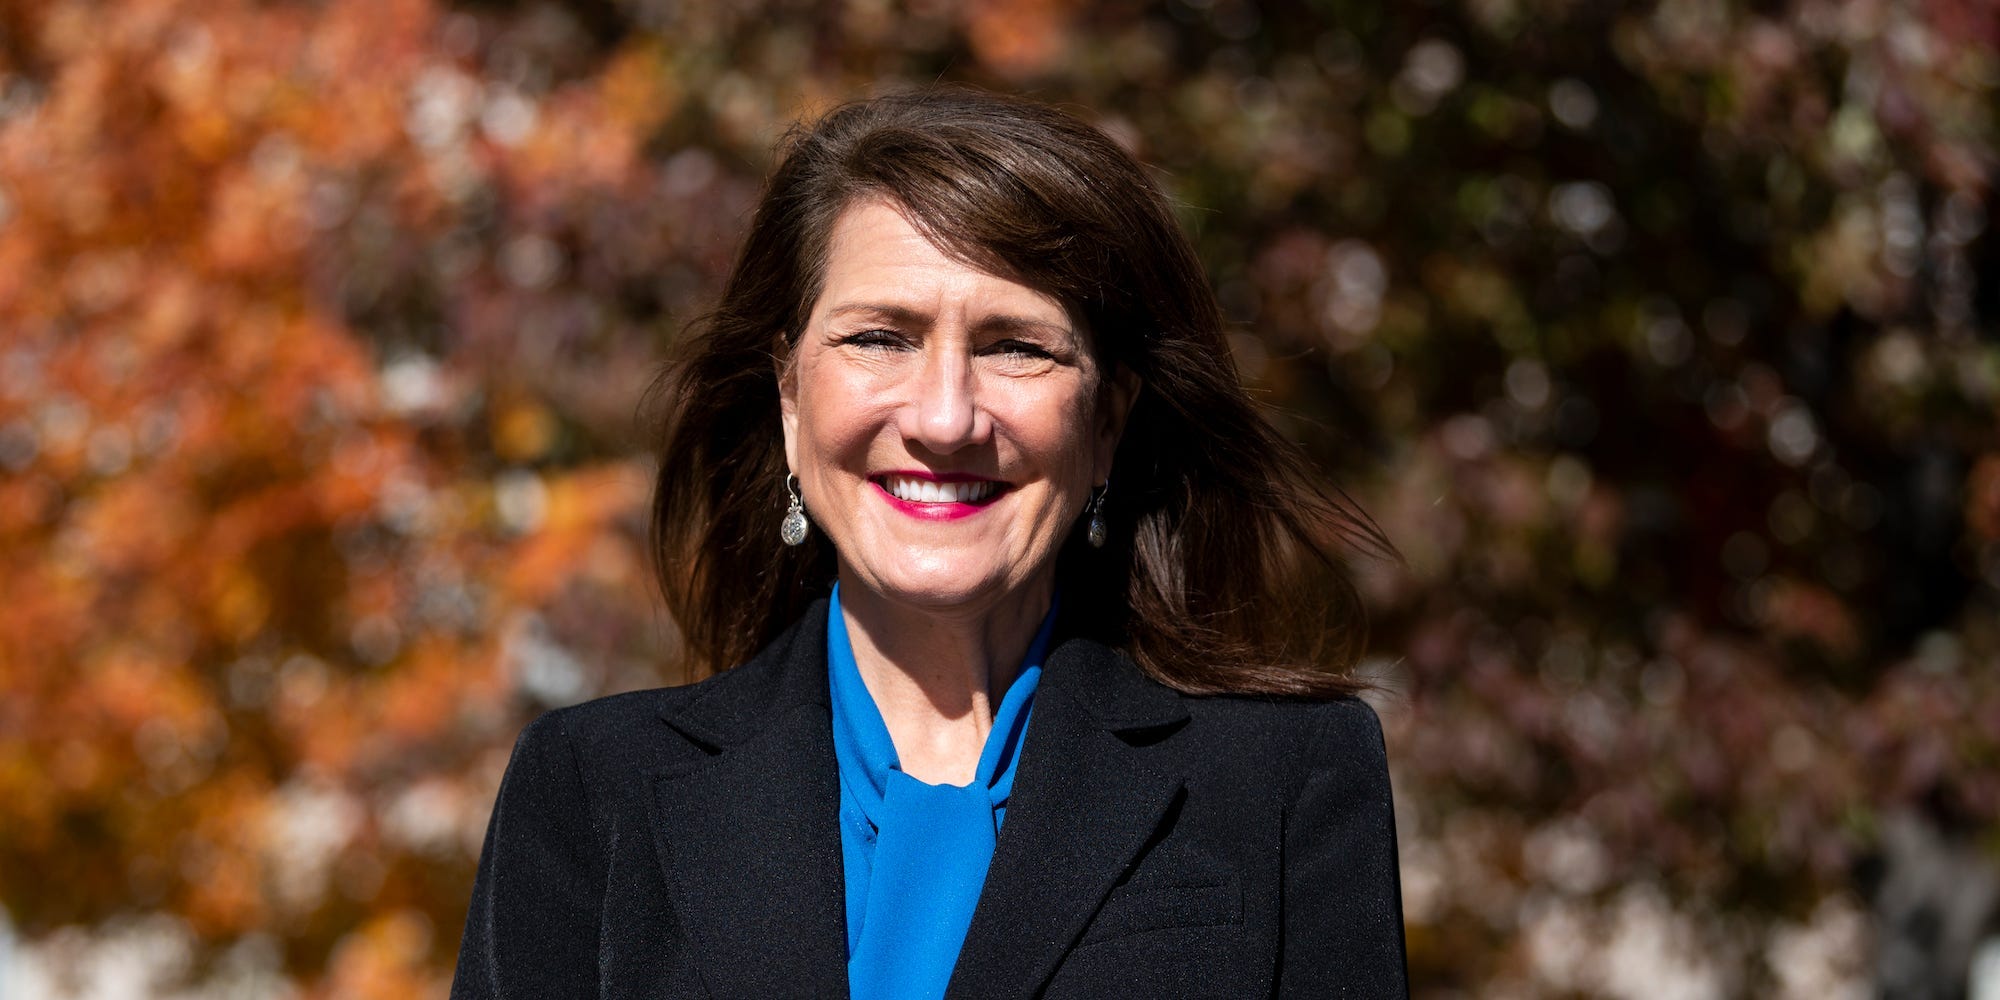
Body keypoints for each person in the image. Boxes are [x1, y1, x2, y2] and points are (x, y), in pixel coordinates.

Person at [451, 86, 1408, 999]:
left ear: (1108, 422)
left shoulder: (1286, 779)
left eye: (1016, 346)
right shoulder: (591, 791)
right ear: (789, 396)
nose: (946, 419)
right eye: (880, 337)